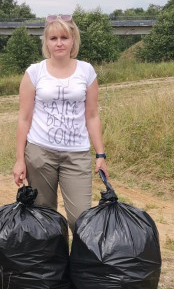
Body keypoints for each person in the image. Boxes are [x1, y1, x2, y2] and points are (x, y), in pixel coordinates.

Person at [12, 14, 108, 231]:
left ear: (73, 40)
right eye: (53, 38)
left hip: (76, 155)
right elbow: (24, 117)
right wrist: (20, 159)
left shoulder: (87, 71)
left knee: (81, 220)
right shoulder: (34, 72)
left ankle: (79, 264)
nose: (59, 43)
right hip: (40, 154)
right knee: (44, 220)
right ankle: (52, 264)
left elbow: (92, 115)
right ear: (46, 42)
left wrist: (100, 155)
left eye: (64, 37)